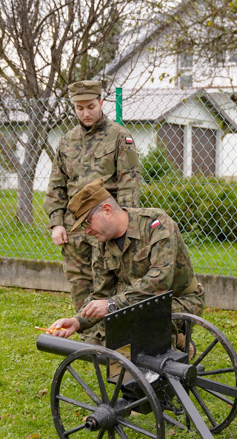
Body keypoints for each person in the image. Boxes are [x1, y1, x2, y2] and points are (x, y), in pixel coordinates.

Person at [47, 179, 204, 341]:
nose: (86, 231)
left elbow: (159, 281)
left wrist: (112, 305)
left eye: (87, 222)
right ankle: (126, 359)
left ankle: (174, 339)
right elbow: (101, 293)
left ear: (107, 210)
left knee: (132, 320)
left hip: (179, 300)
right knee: (109, 327)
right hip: (136, 303)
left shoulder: (157, 225)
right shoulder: (103, 244)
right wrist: (76, 321)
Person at [44, 80, 141, 317]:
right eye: (79, 108)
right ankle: (88, 337)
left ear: (101, 103)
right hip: (74, 228)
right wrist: (56, 223)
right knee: (79, 284)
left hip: (105, 226)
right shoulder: (67, 141)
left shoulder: (119, 136)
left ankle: (110, 341)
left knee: (106, 285)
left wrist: (125, 225)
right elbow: (57, 184)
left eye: (90, 106)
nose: (85, 113)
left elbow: (129, 184)